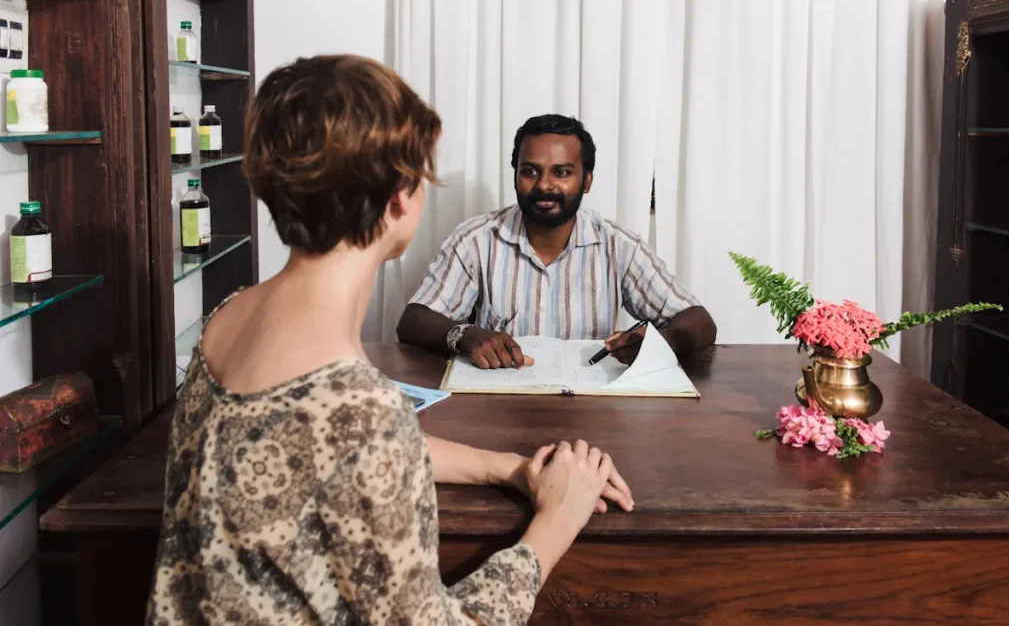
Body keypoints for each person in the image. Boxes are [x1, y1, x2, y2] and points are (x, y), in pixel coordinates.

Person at [146, 56, 633, 625]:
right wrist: (554, 522)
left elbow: (322, 447)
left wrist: (505, 468)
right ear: (401, 198)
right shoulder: (361, 410)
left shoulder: (226, 320)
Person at [397, 113, 716, 370]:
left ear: (586, 180)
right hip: (498, 406)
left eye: (562, 172)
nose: (544, 185)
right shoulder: (475, 240)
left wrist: (662, 342)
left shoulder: (619, 246)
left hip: (589, 409)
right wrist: (463, 335)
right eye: (530, 171)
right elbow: (414, 320)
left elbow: (699, 321)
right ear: (515, 175)